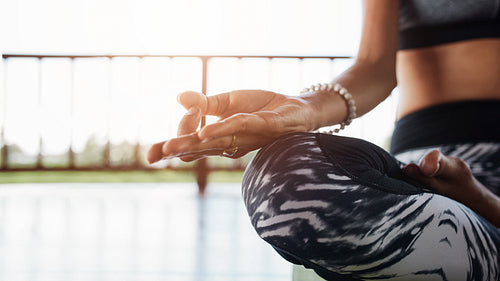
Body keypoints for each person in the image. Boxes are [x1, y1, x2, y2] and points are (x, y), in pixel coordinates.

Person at [148, 0, 500, 280]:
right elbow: (374, 64)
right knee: (283, 180)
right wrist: (304, 107)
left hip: (477, 204)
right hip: (430, 181)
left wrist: (485, 202)